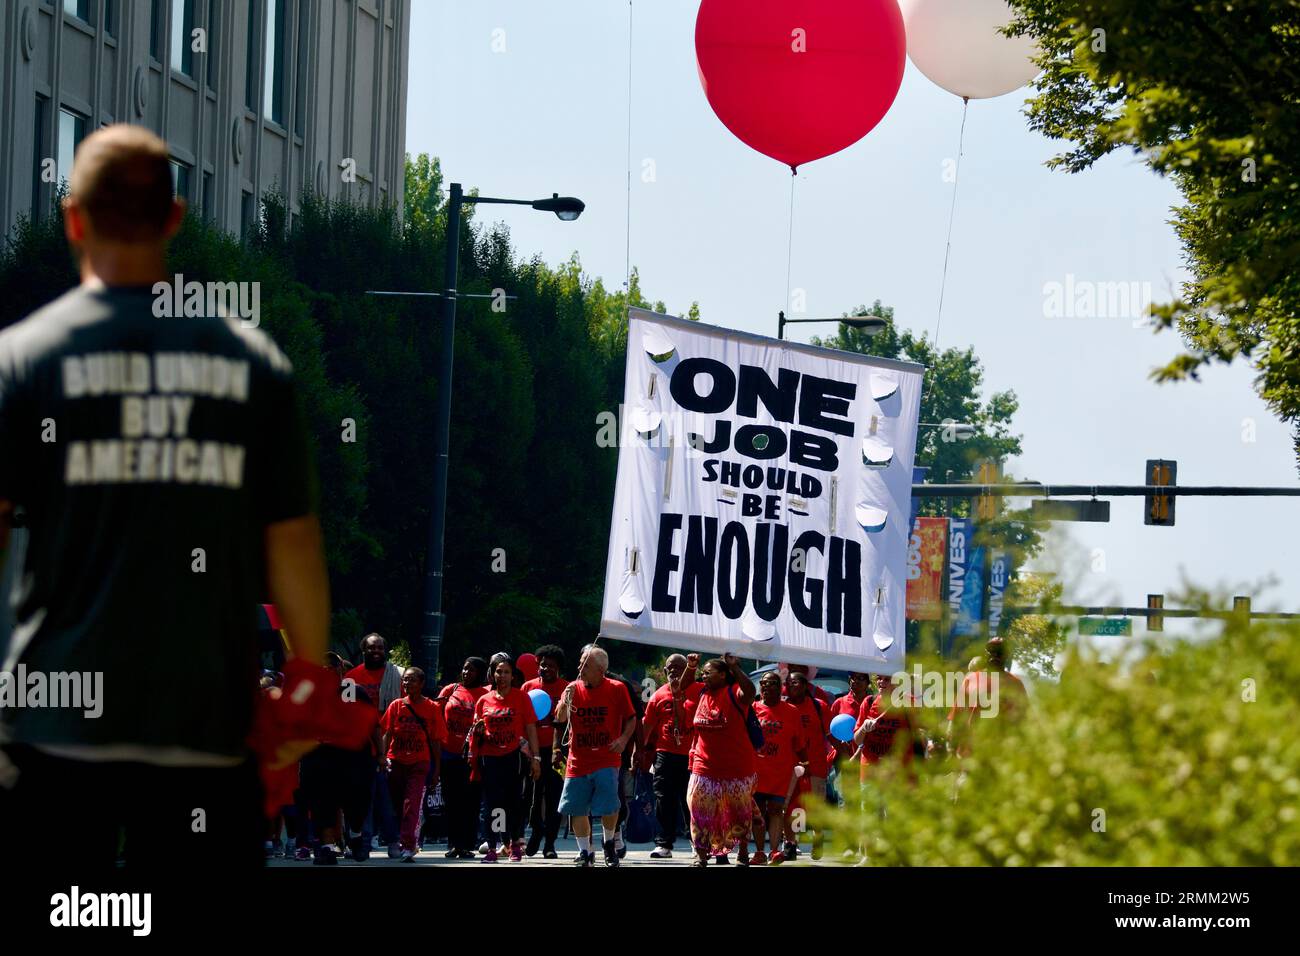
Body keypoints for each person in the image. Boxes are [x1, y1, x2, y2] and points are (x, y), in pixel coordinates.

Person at [0, 124, 329, 869]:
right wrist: (308, 679)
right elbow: (292, 541)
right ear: (175, 219)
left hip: (53, 723)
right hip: (203, 728)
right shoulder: (251, 363)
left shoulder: (21, 359)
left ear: (72, 217)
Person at [554, 644, 637, 867]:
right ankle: (585, 852)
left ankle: (609, 844)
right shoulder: (572, 687)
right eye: (580, 663)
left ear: (600, 670)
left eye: (586, 664)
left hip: (606, 758)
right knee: (576, 808)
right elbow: (560, 719)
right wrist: (565, 700)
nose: (580, 667)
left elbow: (632, 718)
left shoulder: (617, 688)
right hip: (577, 760)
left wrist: (623, 740)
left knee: (610, 806)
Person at [301, 655, 380, 864]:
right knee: (321, 802)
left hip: (353, 759)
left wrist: (380, 754)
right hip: (320, 758)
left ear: (340, 670)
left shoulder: (354, 691)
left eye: (330, 668)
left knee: (357, 803)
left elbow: (373, 725)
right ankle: (327, 848)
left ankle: (355, 836)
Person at [687, 654, 757, 867]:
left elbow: (751, 692)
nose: (704, 675)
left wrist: (735, 666)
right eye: (703, 672)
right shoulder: (702, 692)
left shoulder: (734, 692)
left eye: (709, 672)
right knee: (698, 811)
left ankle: (743, 852)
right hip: (703, 766)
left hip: (736, 768)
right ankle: (700, 855)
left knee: (738, 814)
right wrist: (691, 667)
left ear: (723, 675)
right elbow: (680, 687)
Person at [471, 658, 541, 862]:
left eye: (506, 672)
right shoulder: (484, 700)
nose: (502, 676)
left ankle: (514, 846)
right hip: (490, 758)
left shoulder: (522, 698)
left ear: (513, 676)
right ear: (493, 674)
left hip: (514, 757)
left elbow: (530, 728)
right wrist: (479, 731)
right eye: (498, 672)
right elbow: (477, 728)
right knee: (494, 806)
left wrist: (536, 758)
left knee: (513, 804)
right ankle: (493, 847)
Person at [639, 652, 702, 858]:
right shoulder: (658, 695)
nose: (673, 671)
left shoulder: (701, 691)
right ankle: (664, 843)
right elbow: (647, 726)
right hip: (665, 753)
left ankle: (696, 841)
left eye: (679, 667)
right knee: (663, 798)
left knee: (691, 800)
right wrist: (638, 751)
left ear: (689, 670)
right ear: (665, 671)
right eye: (670, 668)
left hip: (693, 754)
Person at [380, 667, 446, 862]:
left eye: (412, 680)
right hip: (397, 762)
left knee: (412, 803)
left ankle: (409, 845)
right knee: (397, 805)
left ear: (422, 684)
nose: (407, 684)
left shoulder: (432, 708)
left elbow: (435, 740)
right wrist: (382, 757)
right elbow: (387, 733)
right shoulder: (396, 706)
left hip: (419, 763)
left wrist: (437, 770)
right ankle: (405, 834)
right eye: (405, 680)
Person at [346, 633, 403, 856]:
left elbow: (404, 707)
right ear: (364, 651)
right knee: (362, 800)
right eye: (371, 648)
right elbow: (348, 711)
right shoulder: (352, 678)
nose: (376, 651)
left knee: (386, 799)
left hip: (391, 745)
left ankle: (393, 841)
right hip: (361, 748)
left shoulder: (397, 676)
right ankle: (363, 843)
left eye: (380, 647)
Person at [751, 671, 807, 865]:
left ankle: (775, 851)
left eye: (773, 684)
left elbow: (800, 745)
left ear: (780, 687)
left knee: (776, 811)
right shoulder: (752, 709)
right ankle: (759, 851)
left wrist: (805, 764)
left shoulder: (792, 711)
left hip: (780, 772)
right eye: (764, 684)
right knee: (757, 813)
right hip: (756, 772)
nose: (767, 687)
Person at [435, 656, 489, 858]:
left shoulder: (486, 694)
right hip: (449, 752)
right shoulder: (450, 690)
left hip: (472, 756)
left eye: (472, 670)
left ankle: (466, 844)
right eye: (465, 669)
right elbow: (436, 716)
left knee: (471, 801)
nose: (467, 673)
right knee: (451, 800)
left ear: (481, 674)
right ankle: (454, 843)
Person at [520, 644, 568, 858]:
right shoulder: (528, 687)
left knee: (554, 796)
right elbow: (520, 719)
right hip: (532, 750)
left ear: (558, 668)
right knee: (531, 795)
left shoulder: (568, 688)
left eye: (549, 666)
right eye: (541, 665)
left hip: (558, 751)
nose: (544, 669)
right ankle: (536, 829)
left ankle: (550, 842)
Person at [947, 637, 1028, 757]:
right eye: (991, 650)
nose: (995, 655)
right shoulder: (971, 679)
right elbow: (956, 714)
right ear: (985, 654)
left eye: (1000, 652)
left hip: (1003, 754)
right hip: (972, 752)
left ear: (1006, 655)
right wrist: (951, 745)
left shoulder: (1016, 684)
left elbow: (1024, 720)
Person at [783, 670, 833, 860]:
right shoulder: (783, 706)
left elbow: (831, 735)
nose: (790, 685)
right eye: (788, 682)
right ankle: (791, 844)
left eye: (794, 682)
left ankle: (817, 837)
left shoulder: (819, 706)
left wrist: (842, 754)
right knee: (791, 807)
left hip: (815, 766)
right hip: (789, 767)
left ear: (805, 686)